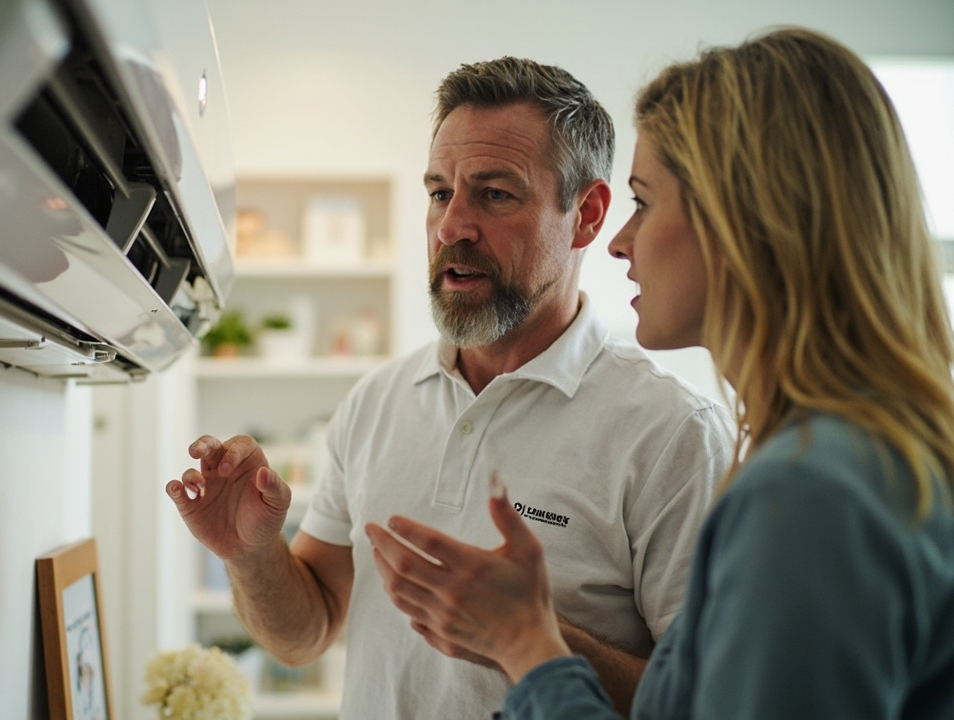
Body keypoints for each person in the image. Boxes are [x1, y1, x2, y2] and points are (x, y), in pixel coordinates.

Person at [365, 27, 954, 720]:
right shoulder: (838, 460)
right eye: (440, 193)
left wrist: (527, 643)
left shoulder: (809, 491)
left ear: (745, 220)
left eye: (642, 201)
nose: (620, 242)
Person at [167, 57, 735, 719]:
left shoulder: (673, 435)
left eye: (494, 194)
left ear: (586, 215)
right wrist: (252, 555)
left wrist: (526, 634)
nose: (451, 226)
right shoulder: (375, 402)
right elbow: (307, 632)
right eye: (440, 193)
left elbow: (706, 703)